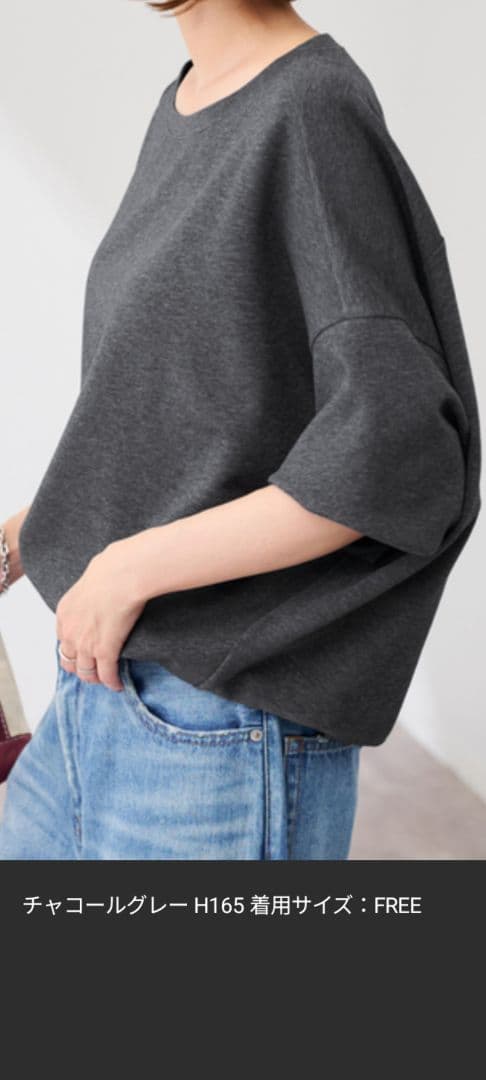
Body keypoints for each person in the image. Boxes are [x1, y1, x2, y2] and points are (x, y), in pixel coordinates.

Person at [0, 0, 480, 860]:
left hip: (215, 726)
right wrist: (34, 533)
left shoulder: (310, 109)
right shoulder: (190, 98)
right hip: (100, 696)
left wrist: (127, 568)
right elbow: (210, 413)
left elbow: (395, 450)